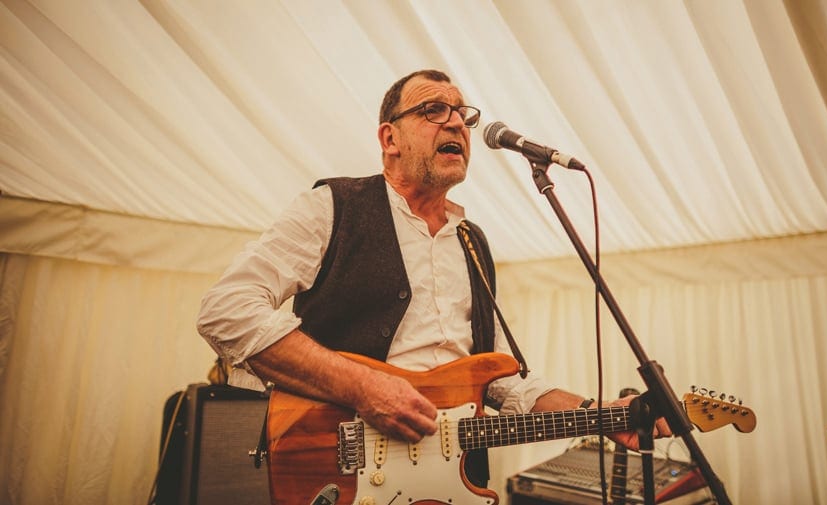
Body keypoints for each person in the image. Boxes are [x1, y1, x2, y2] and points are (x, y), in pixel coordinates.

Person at [196, 69, 670, 487]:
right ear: (390, 139)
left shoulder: (472, 241)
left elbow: (504, 377)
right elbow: (227, 310)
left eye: (462, 114)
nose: (455, 123)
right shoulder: (333, 207)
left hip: (454, 482)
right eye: (433, 110)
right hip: (342, 474)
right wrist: (363, 388)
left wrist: (599, 415)